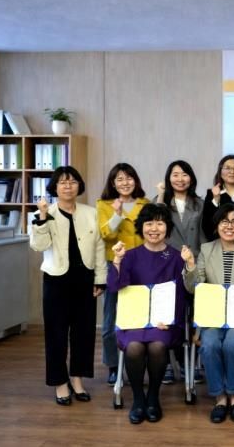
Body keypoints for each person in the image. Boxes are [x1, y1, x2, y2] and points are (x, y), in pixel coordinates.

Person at [29, 166, 107, 405]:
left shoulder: (91, 213)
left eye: (72, 182)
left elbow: (99, 247)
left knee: (84, 333)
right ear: (55, 187)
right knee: (57, 334)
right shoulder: (44, 213)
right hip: (57, 281)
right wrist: (43, 218)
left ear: (79, 186)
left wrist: (100, 278)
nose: (68, 186)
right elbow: (39, 246)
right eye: (62, 182)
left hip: (85, 279)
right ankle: (60, 383)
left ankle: (77, 380)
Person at [107, 204, 189, 424]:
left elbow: (181, 295)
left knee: (157, 345)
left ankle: (153, 396)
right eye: (149, 223)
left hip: (164, 322)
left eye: (160, 223)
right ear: (141, 227)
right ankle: (138, 399)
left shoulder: (176, 257)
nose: (154, 229)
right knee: (134, 347)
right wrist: (117, 261)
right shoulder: (129, 255)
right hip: (134, 320)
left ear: (167, 227)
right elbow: (115, 287)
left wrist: (171, 320)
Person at [183, 203, 234, 423]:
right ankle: (219, 397)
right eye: (224, 221)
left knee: (231, 343)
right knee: (209, 344)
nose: (230, 226)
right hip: (213, 316)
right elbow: (194, 287)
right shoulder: (206, 249)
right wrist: (190, 265)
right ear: (217, 225)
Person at [97, 163, 149, 386]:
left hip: (141, 265)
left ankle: (137, 363)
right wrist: (117, 215)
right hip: (114, 264)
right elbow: (106, 235)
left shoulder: (145, 203)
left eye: (129, 178)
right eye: (120, 179)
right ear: (113, 183)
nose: (125, 183)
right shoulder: (104, 205)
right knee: (110, 320)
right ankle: (112, 365)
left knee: (140, 317)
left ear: (135, 180)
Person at [156, 160, 207, 384]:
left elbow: (206, 234)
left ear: (191, 178)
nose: (180, 179)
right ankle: (168, 362)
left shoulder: (200, 203)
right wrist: (160, 195)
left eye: (184, 174)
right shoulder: (160, 202)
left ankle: (192, 363)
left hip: (195, 262)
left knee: (195, 314)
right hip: (167, 263)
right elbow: (154, 223)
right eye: (175, 174)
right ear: (168, 178)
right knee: (169, 312)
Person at [202, 154, 234, 242]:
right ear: (220, 172)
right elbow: (207, 226)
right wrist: (215, 200)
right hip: (219, 244)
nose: (232, 171)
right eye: (227, 168)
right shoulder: (211, 193)